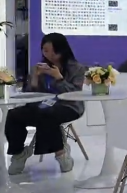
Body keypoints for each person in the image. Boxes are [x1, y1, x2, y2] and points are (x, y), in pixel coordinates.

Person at [6, 33, 85, 175]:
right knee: (13, 115)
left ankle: (61, 154)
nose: (50, 55)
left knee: (47, 115)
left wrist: (59, 78)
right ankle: (19, 153)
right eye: (46, 51)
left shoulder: (77, 68)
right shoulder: (39, 67)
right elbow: (29, 95)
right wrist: (34, 79)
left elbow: (74, 95)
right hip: (41, 107)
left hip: (69, 107)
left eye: (54, 51)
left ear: (62, 50)